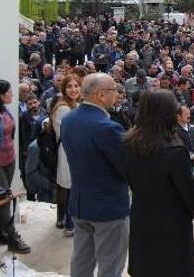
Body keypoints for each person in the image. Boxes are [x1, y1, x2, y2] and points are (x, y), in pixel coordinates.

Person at [122, 90, 194, 277]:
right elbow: (190, 196)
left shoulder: (128, 143)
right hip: (171, 226)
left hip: (142, 217)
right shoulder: (174, 150)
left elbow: (129, 179)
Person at [60, 73, 129, 277]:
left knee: (81, 260)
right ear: (100, 94)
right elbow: (125, 168)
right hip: (108, 207)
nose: (117, 94)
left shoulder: (69, 119)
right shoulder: (107, 128)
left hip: (81, 202)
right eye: (114, 90)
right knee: (110, 265)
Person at [0, 80, 31, 254]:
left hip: (9, 160)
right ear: (0, 95)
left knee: (3, 197)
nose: (12, 94)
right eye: (9, 92)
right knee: (3, 202)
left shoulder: (5, 109)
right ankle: (13, 237)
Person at [51, 74, 82, 236]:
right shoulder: (63, 108)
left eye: (76, 86)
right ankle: (70, 225)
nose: (74, 89)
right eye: (69, 87)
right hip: (69, 151)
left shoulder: (75, 105)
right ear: (64, 90)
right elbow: (66, 134)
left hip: (75, 151)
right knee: (70, 188)